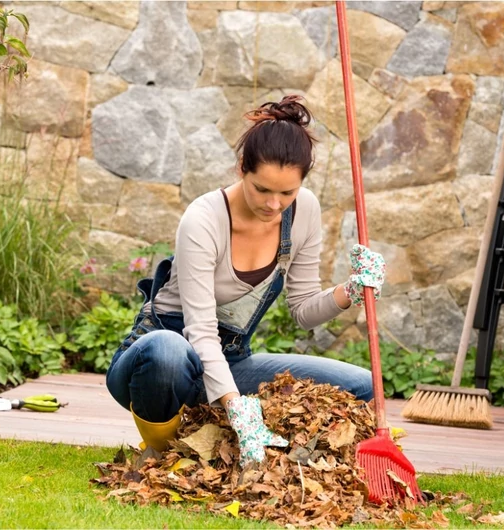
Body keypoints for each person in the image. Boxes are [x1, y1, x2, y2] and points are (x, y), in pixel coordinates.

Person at [105, 95, 386, 468]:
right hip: (162, 362)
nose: (274, 205)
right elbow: (200, 333)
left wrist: (351, 291)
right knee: (167, 352)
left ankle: (232, 442)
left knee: (362, 385)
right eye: (262, 189)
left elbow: (303, 311)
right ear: (242, 169)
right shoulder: (203, 220)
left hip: (230, 361)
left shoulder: (304, 211)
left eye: (287, 192)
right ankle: (163, 452)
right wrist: (238, 407)